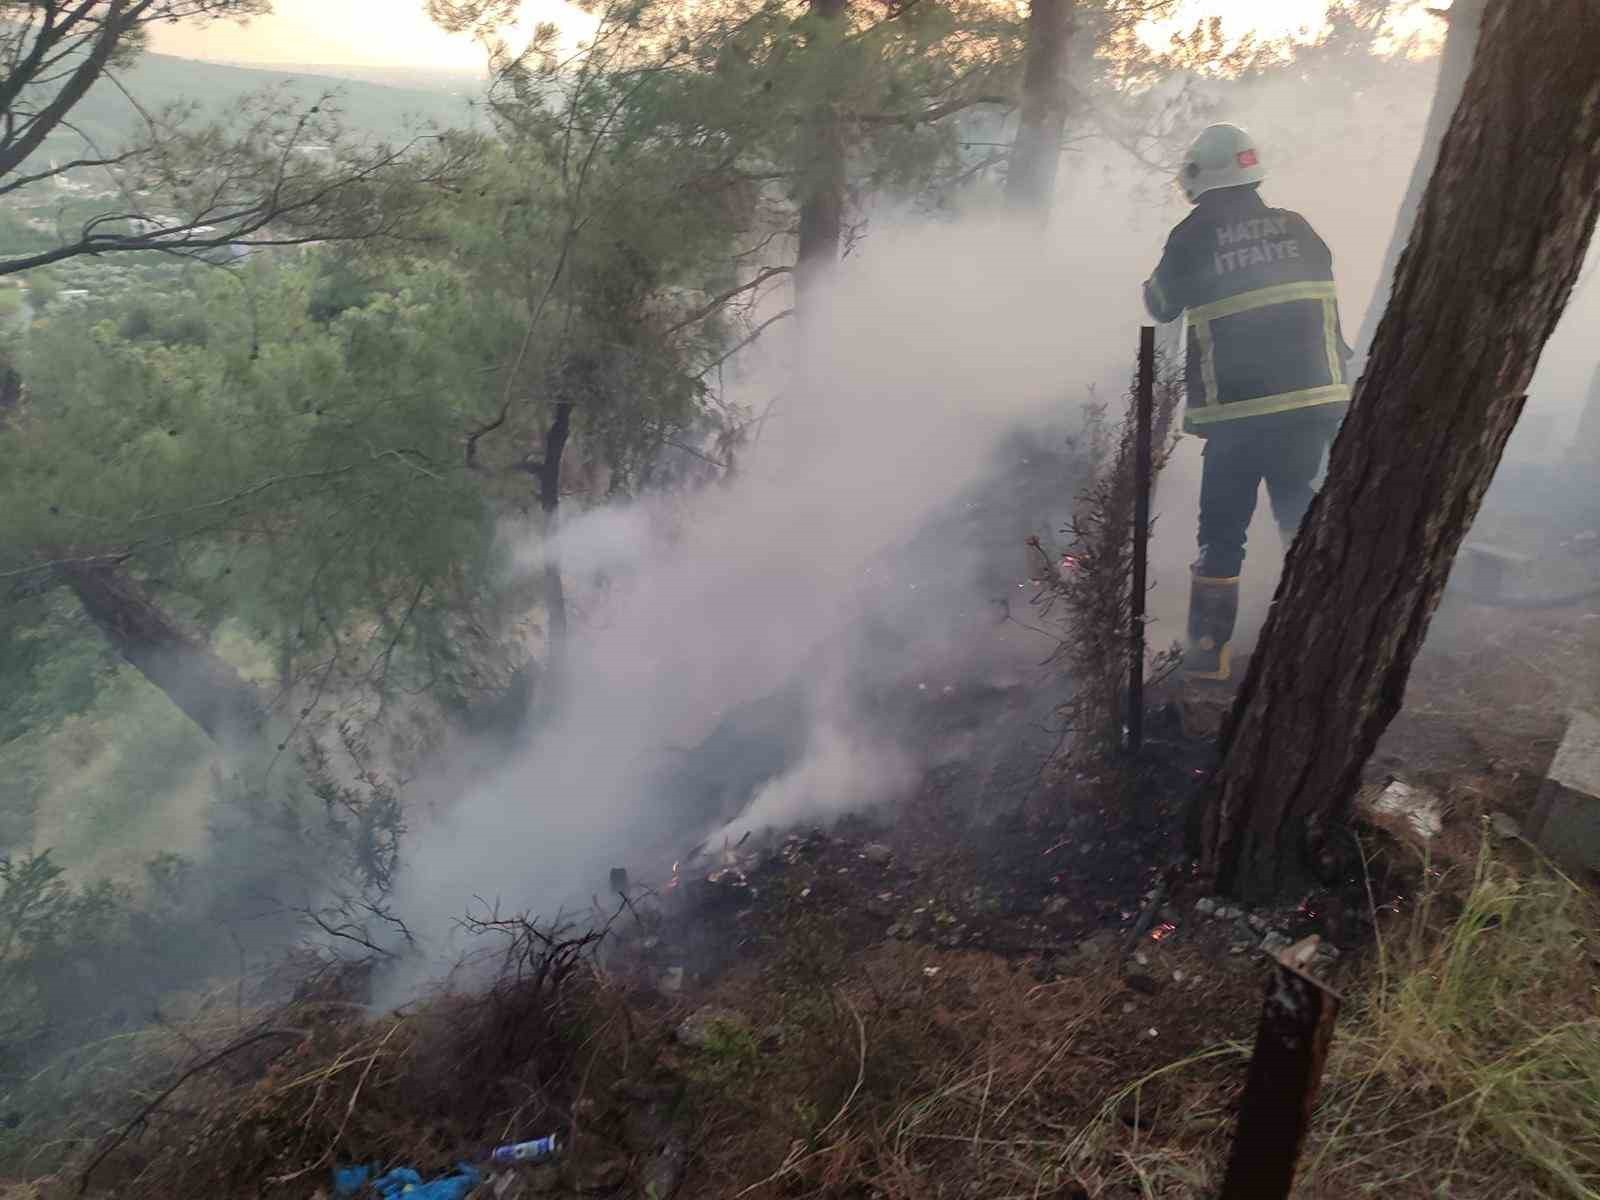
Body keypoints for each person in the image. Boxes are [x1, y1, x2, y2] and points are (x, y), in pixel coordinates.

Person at [1142, 122, 1353, 682]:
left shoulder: (1192, 236)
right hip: (1311, 405)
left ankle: (1208, 656)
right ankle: (1317, 641)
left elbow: (1160, 303)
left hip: (1239, 416)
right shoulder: (1299, 228)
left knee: (1221, 535)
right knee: (1298, 515)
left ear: (1197, 178)